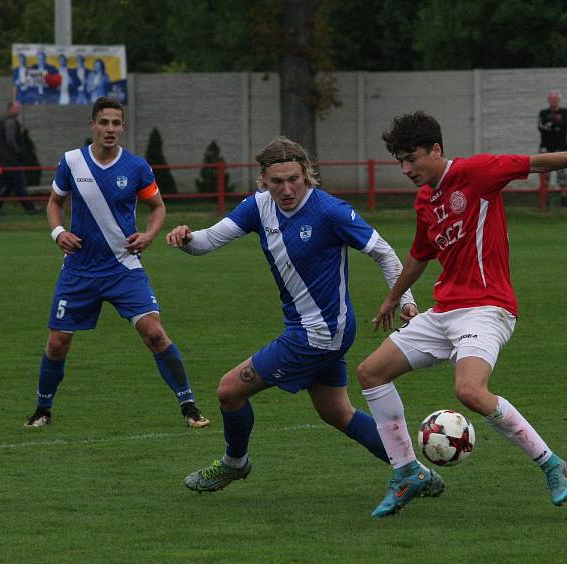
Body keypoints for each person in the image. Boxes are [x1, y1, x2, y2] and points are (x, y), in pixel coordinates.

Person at [355, 111, 567, 518]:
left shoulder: (477, 172)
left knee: (469, 391)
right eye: (400, 161)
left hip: (487, 308)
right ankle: (406, 473)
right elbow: (420, 256)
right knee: (370, 372)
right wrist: (393, 298)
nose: (406, 169)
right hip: (444, 311)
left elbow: (536, 163)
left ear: (436, 150)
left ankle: (554, 465)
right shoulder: (424, 200)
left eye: (412, 158)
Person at [166, 136, 417, 492]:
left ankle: (234, 463)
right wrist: (186, 238)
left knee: (229, 391)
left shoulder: (329, 211)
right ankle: (410, 469)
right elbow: (207, 241)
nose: (286, 189)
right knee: (336, 412)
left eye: (293, 179)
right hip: (315, 329)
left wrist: (404, 299)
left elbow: (385, 253)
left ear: (307, 175)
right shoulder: (258, 207)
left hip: (317, 334)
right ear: (264, 181)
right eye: (277, 181)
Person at [24, 96, 210, 430]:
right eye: (104, 122)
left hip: (123, 268)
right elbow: (54, 202)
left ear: (123, 127)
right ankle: (42, 410)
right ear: (92, 125)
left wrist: (150, 234)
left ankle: (190, 407)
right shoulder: (72, 162)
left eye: (116, 123)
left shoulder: (136, 167)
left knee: (155, 334)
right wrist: (57, 232)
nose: (110, 129)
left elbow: (157, 207)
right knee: (57, 343)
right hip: (79, 269)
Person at [0, 101, 38, 215]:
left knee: (8, 185)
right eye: (16, 108)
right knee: (19, 183)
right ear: (10, 109)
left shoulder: (6, 121)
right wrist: (18, 152)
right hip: (11, 159)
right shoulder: (10, 122)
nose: (18, 110)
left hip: (6, 159)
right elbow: (10, 140)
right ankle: (29, 208)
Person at [537, 90, 567, 207]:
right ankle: (544, 200)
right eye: (551, 99)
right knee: (544, 174)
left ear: (559, 100)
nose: (553, 101)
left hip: (561, 148)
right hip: (545, 148)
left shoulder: (564, 112)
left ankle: (564, 200)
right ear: (548, 100)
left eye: (555, 99)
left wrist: (551, 125)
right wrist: (555, 125)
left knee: (562, 175)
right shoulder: (543, 112)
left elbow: (564, 125)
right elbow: (541, 127)